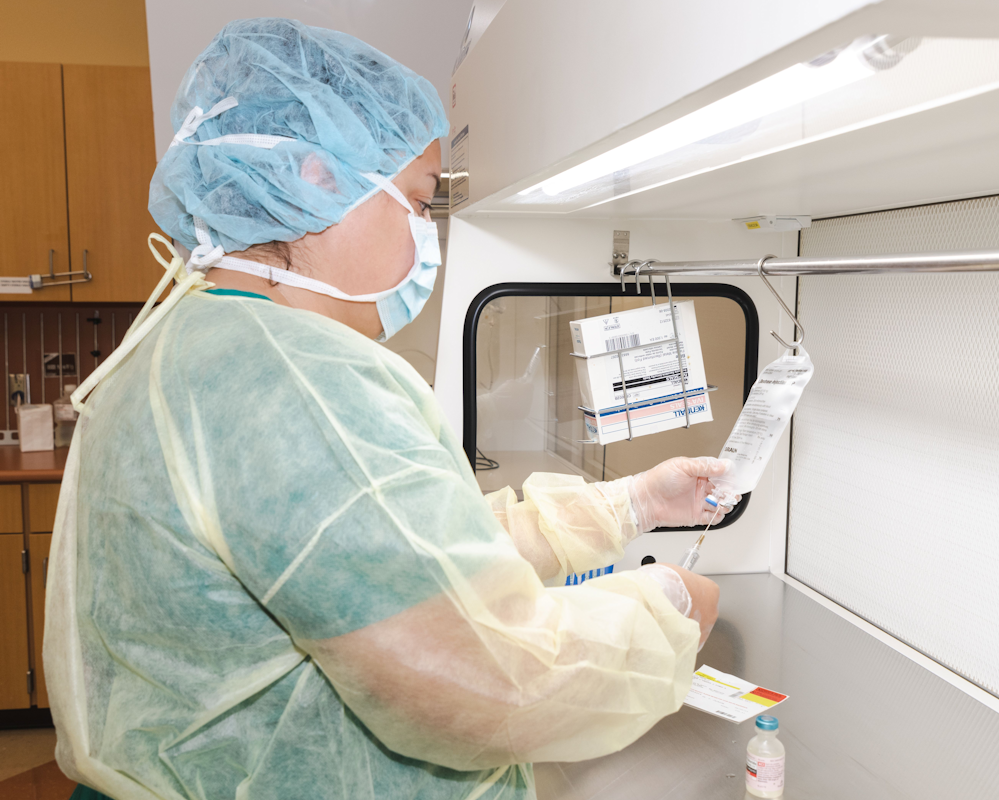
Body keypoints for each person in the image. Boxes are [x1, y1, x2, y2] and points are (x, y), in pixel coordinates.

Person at [44, 19, 735, 800]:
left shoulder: (197, 343)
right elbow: (483, 687)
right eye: (415, 202)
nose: (424, 236)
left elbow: (400, 560)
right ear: (313, 176)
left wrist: (633, 501)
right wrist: (669, 609)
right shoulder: (294, 381)